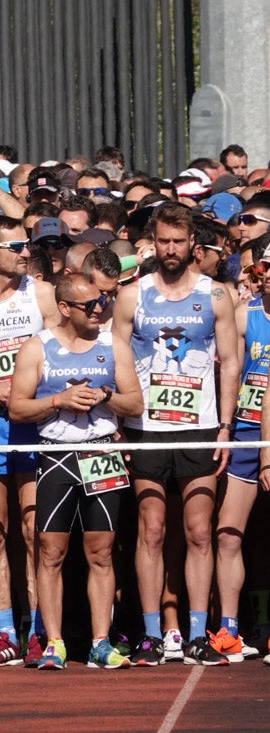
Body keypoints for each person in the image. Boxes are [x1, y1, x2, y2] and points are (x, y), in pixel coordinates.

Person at [112, 202, 239, 666]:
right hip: (146, 428)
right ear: (154, 242)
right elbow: (117, 363)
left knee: (200, 531)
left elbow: (231, 366)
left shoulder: (217, 296)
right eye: (162, 241)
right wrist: (122, 428)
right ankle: (151, 634)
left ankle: (195, 631)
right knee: (152, 530)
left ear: (193, 246)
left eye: (178, 242)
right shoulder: (133, 296)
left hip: (200, 427)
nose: (170, 249)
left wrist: (225, 427)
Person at [8, 273, 142, 670]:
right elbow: (17, 407)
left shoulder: (113, 345)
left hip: (100, 452)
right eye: (90, 305)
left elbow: (135, 404)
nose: (99, 309)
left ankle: (101, 640)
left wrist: (106, 397)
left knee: (100, 550)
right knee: (50, 551)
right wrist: (58, 400)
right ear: (64, 308)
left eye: (102, 300)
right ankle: (54, 642)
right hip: (56, 455)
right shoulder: (38, 348)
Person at [0, 216, 59, 667]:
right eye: (16, 246)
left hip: (35, 424)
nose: (26, 252)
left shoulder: (39, 293)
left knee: (34, 531)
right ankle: (4, 632)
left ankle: (39, 629)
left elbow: (64, 347)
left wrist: (35, 394)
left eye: (27, 245)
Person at [215, 245, 270, 662]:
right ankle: (230, 628)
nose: (266, 274)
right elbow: (229, 370)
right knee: (227, 532)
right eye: (262, 266)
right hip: (248, 433)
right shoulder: (244, 314)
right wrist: (227, 426)